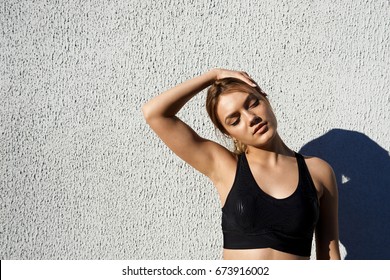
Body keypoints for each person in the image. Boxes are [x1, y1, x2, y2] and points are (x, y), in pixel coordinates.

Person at [142, 68, 341, 260]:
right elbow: (155, 113)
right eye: (235, 120)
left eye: (253, 104)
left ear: (265, 98)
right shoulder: (225, 166)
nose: (251, 119)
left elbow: (329, 257)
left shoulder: (318, 171)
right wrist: (214, 75)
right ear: (228, 133)